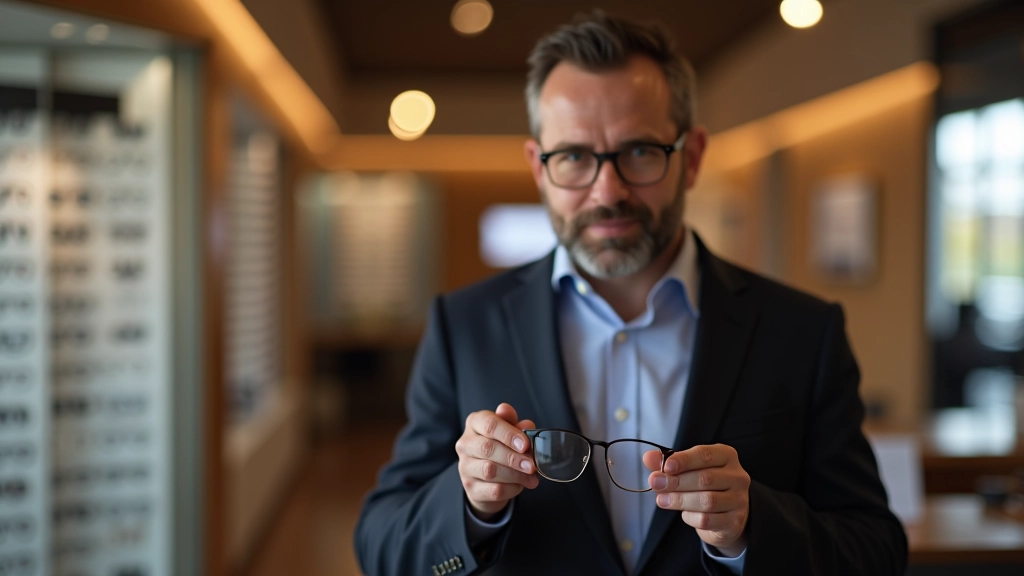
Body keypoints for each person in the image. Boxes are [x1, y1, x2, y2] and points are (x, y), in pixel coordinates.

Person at [355, 11, 907, 576]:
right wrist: (471, 504)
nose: (607, 190)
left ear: (690, 158)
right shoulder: (463, 325)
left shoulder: (803, 332)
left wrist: (750, 527)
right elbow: (380, 545)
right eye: (573, 156)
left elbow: (875, 549)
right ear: (539, 168)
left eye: (640, 151)